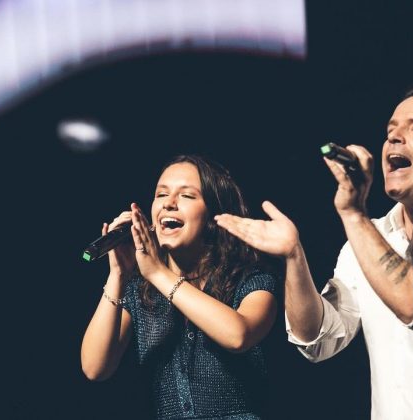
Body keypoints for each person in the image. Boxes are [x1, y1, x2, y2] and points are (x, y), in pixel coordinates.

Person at [214, 83, 413, 419]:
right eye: (391, 130)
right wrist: (293, 257)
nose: (394, 138)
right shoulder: (369, 238)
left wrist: (353, 213)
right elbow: (318, 339)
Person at [81, 155, 278, 419]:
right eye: (161, 194)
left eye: (186, 196)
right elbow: (95, 367)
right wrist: (118, 274)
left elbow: (238, 336)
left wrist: (157, 272)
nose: (169, 204)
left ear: (213, 212)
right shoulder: (142, 289)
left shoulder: (250, 278)